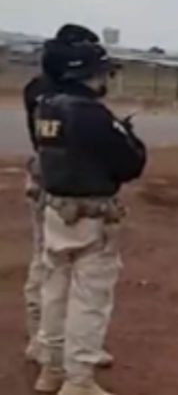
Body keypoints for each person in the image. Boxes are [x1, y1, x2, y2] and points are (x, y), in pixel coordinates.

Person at [33, 25, 147, 395]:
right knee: (89, 300)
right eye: (104, 73)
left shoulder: (45, 106)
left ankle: (49, 369)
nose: (107, 80)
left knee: (54, 293)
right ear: (88, 75)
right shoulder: (91, 114)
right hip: (92, 218)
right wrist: (128, 137)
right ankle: (78, 381)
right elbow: (130, 164)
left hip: (55, 212)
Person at [22, 25, 115, 369]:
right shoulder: (68, 97)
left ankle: (47, 347)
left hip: (46, 177)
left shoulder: (41, 90)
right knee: (62, 274)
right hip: (64, 185)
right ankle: (50, 346)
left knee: (50, 267)